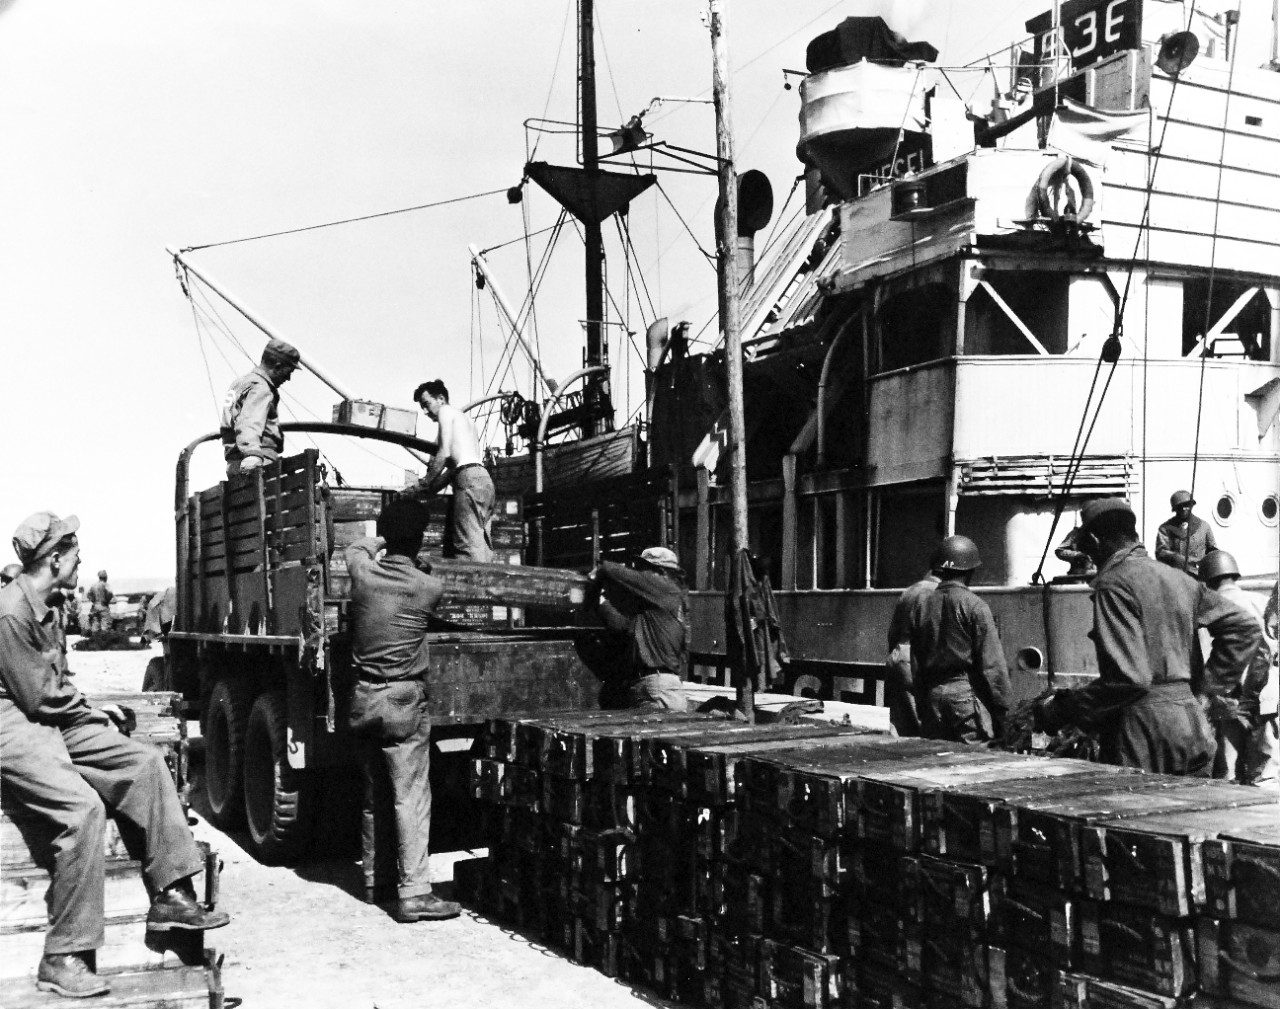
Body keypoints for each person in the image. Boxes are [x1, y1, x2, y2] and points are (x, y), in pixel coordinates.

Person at [0, 512, 228, 998]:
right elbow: (37, 696)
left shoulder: (48, 603)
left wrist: (97, 711)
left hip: (47, 712)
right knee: (81, 813)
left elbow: (52, 690)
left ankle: (172, 893)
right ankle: (63, 955)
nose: (82, 556)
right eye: (74, 549)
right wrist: (90, 711)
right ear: (54, 558)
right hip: (12, 723)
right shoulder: (10, 612)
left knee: (143, 763)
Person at [1036, 498, 1261, 775]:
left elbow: (1129, 679)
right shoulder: (1180, 579)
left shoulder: (1114, 584)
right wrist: (1207, 689)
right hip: (1191, 726)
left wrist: (1061, 709)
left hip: (1141, 733)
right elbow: (1244, 627)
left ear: (1094, 540)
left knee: (1133, 816)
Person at [345, 499, 460, 922]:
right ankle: (414, 893)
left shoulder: (363, 573)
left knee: (376, 794)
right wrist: (416, 557)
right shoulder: (427, 588)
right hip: (402, 701)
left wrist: (383, 540)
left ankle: (377, 882)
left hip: (364, 698)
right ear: (420, 538)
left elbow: (354, 550)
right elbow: (427, 582)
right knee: (410, 797)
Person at [909, 535, 1010, 743]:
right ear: (970, 570)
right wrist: (1003, 711)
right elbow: (992, 665)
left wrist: (922, 703)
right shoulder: (975, 606)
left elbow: (915, 661)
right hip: (964, 697)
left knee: (936, 761)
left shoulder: (921, 606)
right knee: (975, 763)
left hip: (932, 697)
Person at [1200, 550, 1277, 784]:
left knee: (1228, 776)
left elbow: (1205, 658)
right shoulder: (1262, 601)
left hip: (1230, 703)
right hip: (1267, 701)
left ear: (1207, 580)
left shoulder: (1210, 608)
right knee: (1267, 775)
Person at [403, 380, 495, 562]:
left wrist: (422, 484)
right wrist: (429, 487)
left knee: (467, 546)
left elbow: (443, 453)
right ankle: (484, 588)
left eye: (427, 404)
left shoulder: (445, 412)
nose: (425, 412)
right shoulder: (466, 420)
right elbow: (456, 468)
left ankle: (471, 590)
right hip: (484, 480)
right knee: (482, 544)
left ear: (441, 399)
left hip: (468, 480)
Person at [588, 547, 690, 711]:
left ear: (660, 571)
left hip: (657, 689)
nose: (640, 575)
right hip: (657, 688)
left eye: (643, 570)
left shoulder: (664, 588)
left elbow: (611, 570)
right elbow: (623, 626)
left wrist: (599, 572)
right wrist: (601, 602)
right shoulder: (653, 611)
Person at [220, 338, 300, 477]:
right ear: (277, 366)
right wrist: (252, 454)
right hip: (258, 464)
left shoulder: (240, 383)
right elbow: (249, 421)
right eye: (289, 371)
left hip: (234, 463)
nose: (288, 378)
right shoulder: (261, 388)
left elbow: (231, 421)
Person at [884, 571, 940, 736]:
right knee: (924, 728)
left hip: (898, 655)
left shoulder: (909, 591)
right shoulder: (939, 592)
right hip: (918, 658)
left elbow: (892, 632)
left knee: (901, 725)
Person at [1156, 489, 1217, 577]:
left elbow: (1212, 550)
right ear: (1175, 509)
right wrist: (1178, 558)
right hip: (1176, 576)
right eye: (1180, 506)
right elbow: (1161, 553)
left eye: (1187, 505)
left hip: (1198, 576)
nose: (1184, 509)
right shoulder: (1165, 529)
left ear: (1191, 506)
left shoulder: (1204, 526)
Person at [85, 569, 112, 634]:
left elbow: (88, 595)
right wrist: (107, 600)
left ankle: (94, 640)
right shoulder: (105, 585)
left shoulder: (94, 585)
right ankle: (103, 641)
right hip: (103, 606)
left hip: (95, 606)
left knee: (95, 624)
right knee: (105, 625)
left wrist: (94, 601)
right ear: (105, 577)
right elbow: (110, 593)